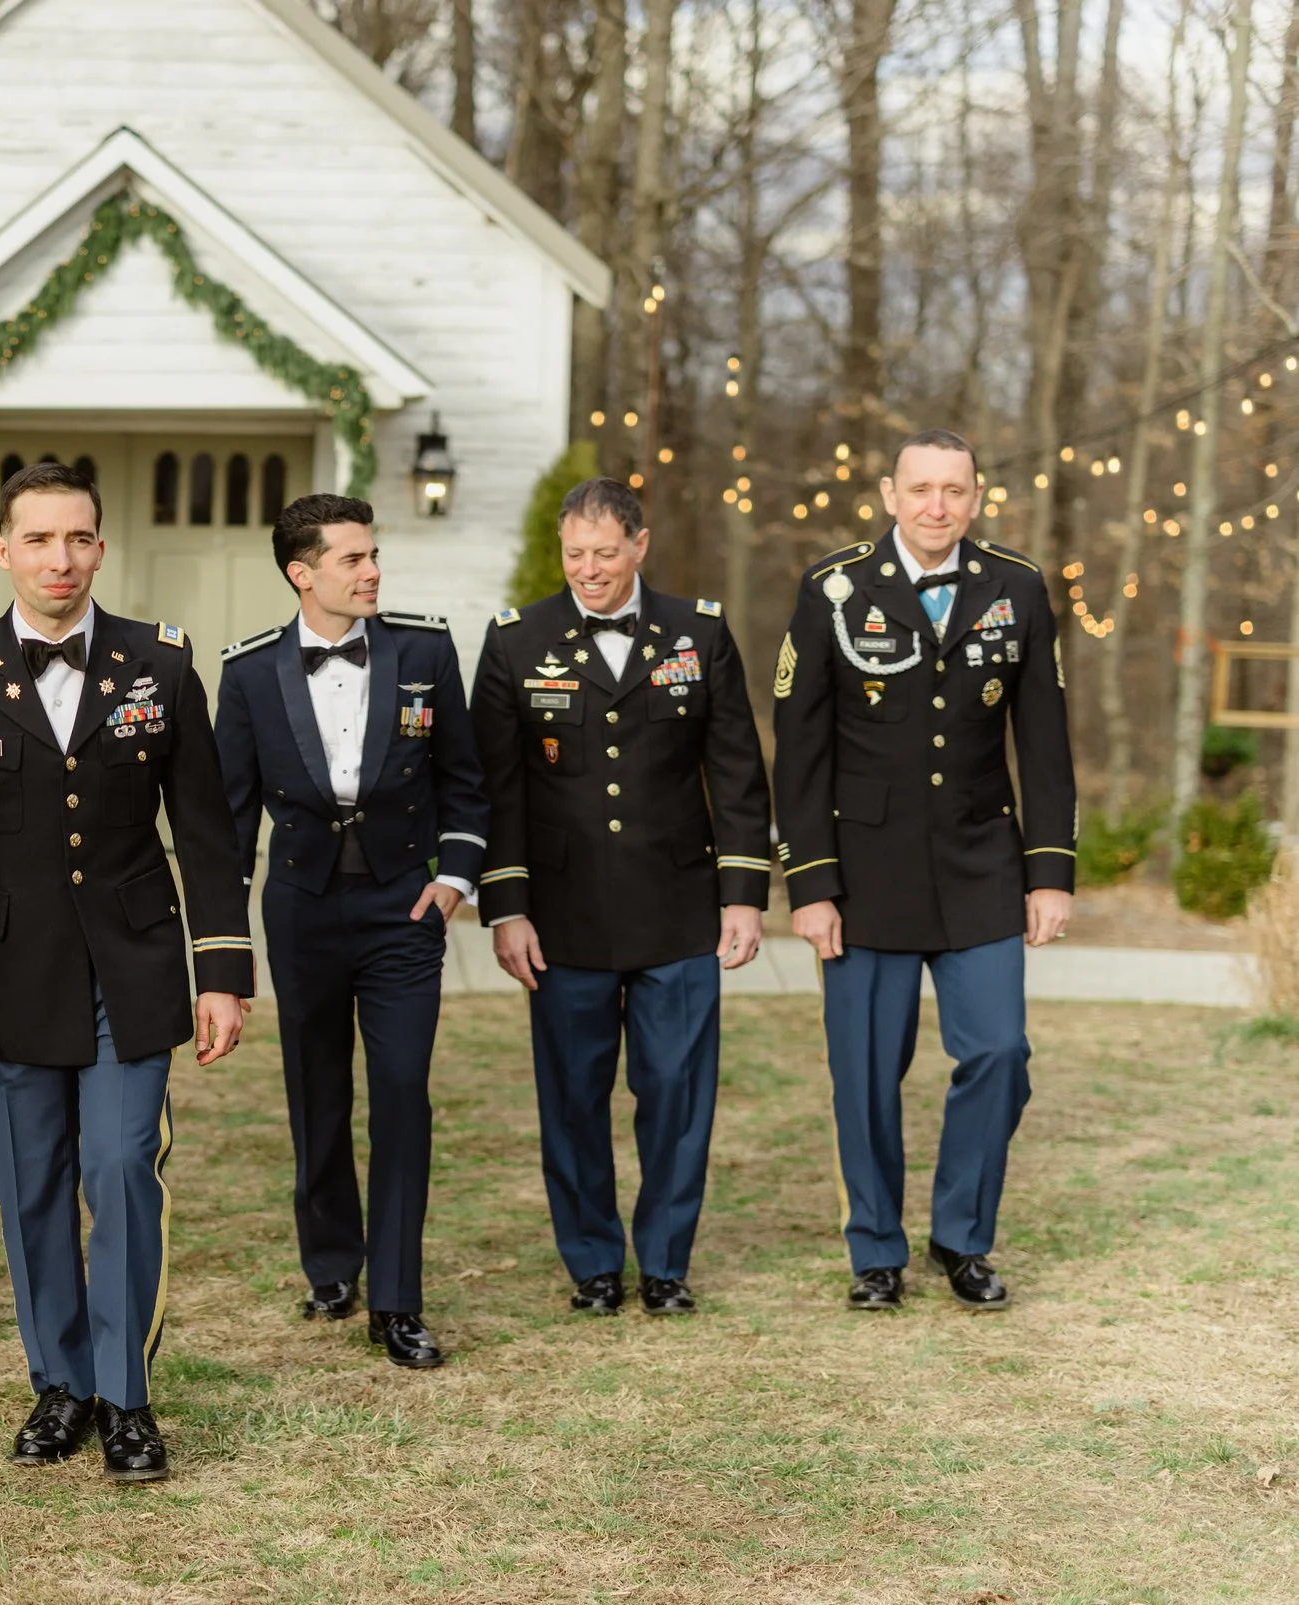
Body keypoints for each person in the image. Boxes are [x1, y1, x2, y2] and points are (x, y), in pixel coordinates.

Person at [0, 461, 252, 1484]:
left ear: (100, 547)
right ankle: (61, 1386)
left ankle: (127, 1397)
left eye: (78, 538)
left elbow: (209, 837)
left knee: (121, 1169)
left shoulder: (160, 665)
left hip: (130, 970)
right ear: (2, 551)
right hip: (2, 974)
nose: (61, 558)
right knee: (31, 1186)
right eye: (39, 540)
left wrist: (220, 971)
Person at [771, 429, 1075, 1311]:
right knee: (865, 1070)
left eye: (954, 490)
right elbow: (800, 749)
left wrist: (1049, 870)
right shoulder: (833, 587)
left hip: (982, 863)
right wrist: (812, 884)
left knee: (1001, 1053)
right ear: (889, 493)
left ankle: (961, 1238)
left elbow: (1045, 742)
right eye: (921, 489)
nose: (937, 506)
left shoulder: (1016, 588)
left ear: (977, 498)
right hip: (864, 871)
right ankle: (876, 1250)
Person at [471, 478, 771, 1318]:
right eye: (575, 554)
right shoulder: (515, 640)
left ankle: (667, 1263)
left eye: (605, 553)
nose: (589, 570)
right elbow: (495, 789)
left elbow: (738, 773)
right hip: (561, 916)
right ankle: (594, 1264)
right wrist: (507, 907)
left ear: (640, 545)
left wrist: (744, 896)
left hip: (679, 908)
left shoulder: (699, 633)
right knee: (571, 1097)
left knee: (677, 1094)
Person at [212, 494, 487, 1368]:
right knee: (318, 1092)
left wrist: (452, 881)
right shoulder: (250, 673)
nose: (372, 572)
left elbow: (466, 782)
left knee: (403, 1094)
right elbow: (226, 821)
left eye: (373, 556)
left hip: (404, 910)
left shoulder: (426, 651)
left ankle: (398, 1303)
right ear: (303, 573)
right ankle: (331, 1264)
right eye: (352, 560)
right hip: (301, 910)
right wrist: (225, 945)